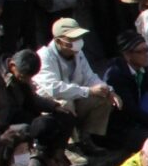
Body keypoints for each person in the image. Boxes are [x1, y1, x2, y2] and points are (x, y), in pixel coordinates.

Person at [34, 17, 116, 153]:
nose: (78, 42)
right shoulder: (44, 56)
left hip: (76, 97)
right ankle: (68, 147)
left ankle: (85, 139)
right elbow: (54, 89)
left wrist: (108, 90)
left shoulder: (78, 53)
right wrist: (88, 91)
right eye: (72, 39)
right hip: (51, 103)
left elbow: (90, 77)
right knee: (65, 103)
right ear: (59, 41)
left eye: (79, 37)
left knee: (104, 98)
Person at [0, 49, 71, 140]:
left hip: (19, 117)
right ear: (12, 65)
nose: (27, 81)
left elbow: (32, 98)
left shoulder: (21, 75)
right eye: (23, 77)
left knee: (63, 118)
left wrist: (54, 106)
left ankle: (55, 153)